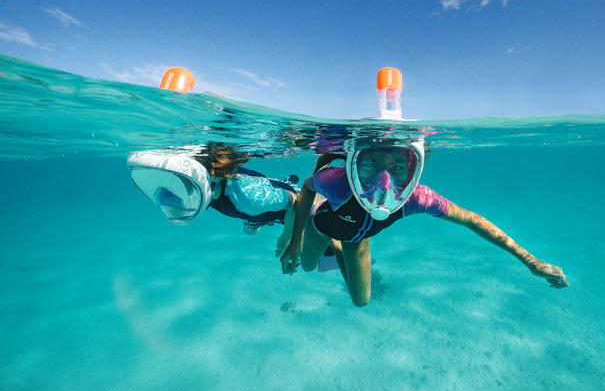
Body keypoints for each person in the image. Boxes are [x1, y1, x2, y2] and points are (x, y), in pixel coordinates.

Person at [280, 140, 568, 307]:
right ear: (356, 165)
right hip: (321, 225)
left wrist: (531, 261)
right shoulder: (338, 182)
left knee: (361, 302)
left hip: (357, 238)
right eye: (369, 167)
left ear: (412, 171)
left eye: (397, 169)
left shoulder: (417, 197)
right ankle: (327, 237)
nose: (383, 187)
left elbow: (471, 219)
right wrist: (294, 244)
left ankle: (339, 246)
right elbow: (307, 187)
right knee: (307, 267)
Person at [128, 143, 299, 257]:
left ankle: (286, 183)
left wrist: (287, 239)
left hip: (296, 206)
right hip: (252, 209)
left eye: (187, 186)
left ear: (211, 181)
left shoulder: (248, 198)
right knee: (250, 227)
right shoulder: (208, 187)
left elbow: (295, 202)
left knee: (310, 259)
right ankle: (255, 217)